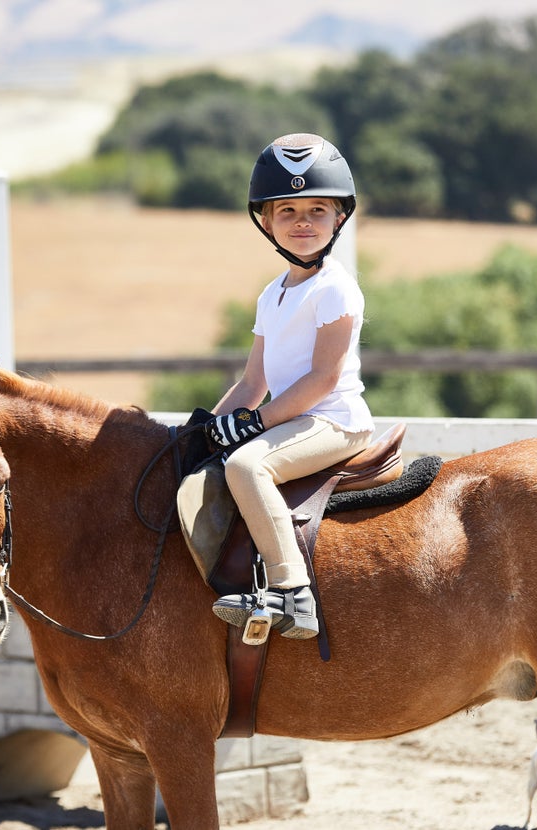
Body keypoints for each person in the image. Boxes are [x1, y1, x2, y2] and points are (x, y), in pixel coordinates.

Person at [205, 133, 375, 640]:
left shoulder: (336, 287)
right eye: (288, 211)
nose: (303, 222)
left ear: (339, 218)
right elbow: (253, 381)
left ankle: (292, 593)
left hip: (333, 421)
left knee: (246, 464)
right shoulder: (271, 294)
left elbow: (323, 378)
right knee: (210, 456)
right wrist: (206, 428)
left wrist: (252, 425)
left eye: (317, 210)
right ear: (265, 221)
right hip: (294, 418)